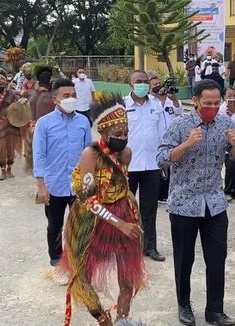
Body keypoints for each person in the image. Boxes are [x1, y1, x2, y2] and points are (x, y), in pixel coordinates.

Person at [157, 79, 235, 326]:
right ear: (195, 101)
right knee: (184, 260)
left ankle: (215, 310)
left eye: (217, 103)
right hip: (184, 203)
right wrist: (186, 144)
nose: (213, 107)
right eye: (208, 103)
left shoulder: (225, 123)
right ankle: (184, 306)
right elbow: (161, 157)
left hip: (214, 203)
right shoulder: (180, 125)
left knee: (217, 259)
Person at [60, 93, 146, 326]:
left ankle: (123, 320)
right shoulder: (91, 155)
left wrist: (128, 219)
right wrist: (120, 223)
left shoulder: (125, 154)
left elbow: (123, 182)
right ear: (104, 133)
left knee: (128, 276)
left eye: (126, 133)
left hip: (124, 212)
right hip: (91, 218)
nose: (123, 137)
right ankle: (102, 319)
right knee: (82, 275)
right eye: (117, 134)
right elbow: (89, 200)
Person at [33, 78, 92, 283]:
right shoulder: (44, 123)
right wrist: (41, 185)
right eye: (66, 96)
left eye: (74, 96)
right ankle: (57, 263)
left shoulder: (83, 122)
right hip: (54, 184)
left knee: (79, 225)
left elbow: (88, 153)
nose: (71, 99)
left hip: (78, 185)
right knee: (55, 226)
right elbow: (39, 154)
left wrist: (89, 182)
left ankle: (77, 262)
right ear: (55, 99)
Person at [124, 70, 165, 262]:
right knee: (125, 207)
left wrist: (164, 160)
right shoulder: (122, 105)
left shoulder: (156, 105)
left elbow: (163, 133)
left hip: (152, 165)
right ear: (130, 83)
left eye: (145, 81)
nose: (142, 84)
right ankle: (128, 247)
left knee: (149, 209)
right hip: (128, 166)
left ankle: (150, 246)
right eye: (138, 81)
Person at [149, 73, 184, 203]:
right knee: (159, 168)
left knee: (170, 167)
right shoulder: (150, 102)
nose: (158, 86)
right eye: (155, 85)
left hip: (172, 140)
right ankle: (158, 194)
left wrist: (173, 98)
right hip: (156, 140)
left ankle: (167, 193)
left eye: (159, 84)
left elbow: (179, 111)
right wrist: (160, 100)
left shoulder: (170, 100)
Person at [0, 74, 22, 180]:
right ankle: (3, 171)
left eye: (1, 84)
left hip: (11, 124)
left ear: (5, 84)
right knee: (0, 148)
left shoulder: (11, 94)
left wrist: (22, 101)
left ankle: (9, 170)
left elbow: (20, 103)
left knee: (11, 147)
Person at [23, 65, 55, 174]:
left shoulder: (30, 93)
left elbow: (19, 94)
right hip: (46, 130)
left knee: (36, 153)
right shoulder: (52, 98)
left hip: (32, 128)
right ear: (50, 82)